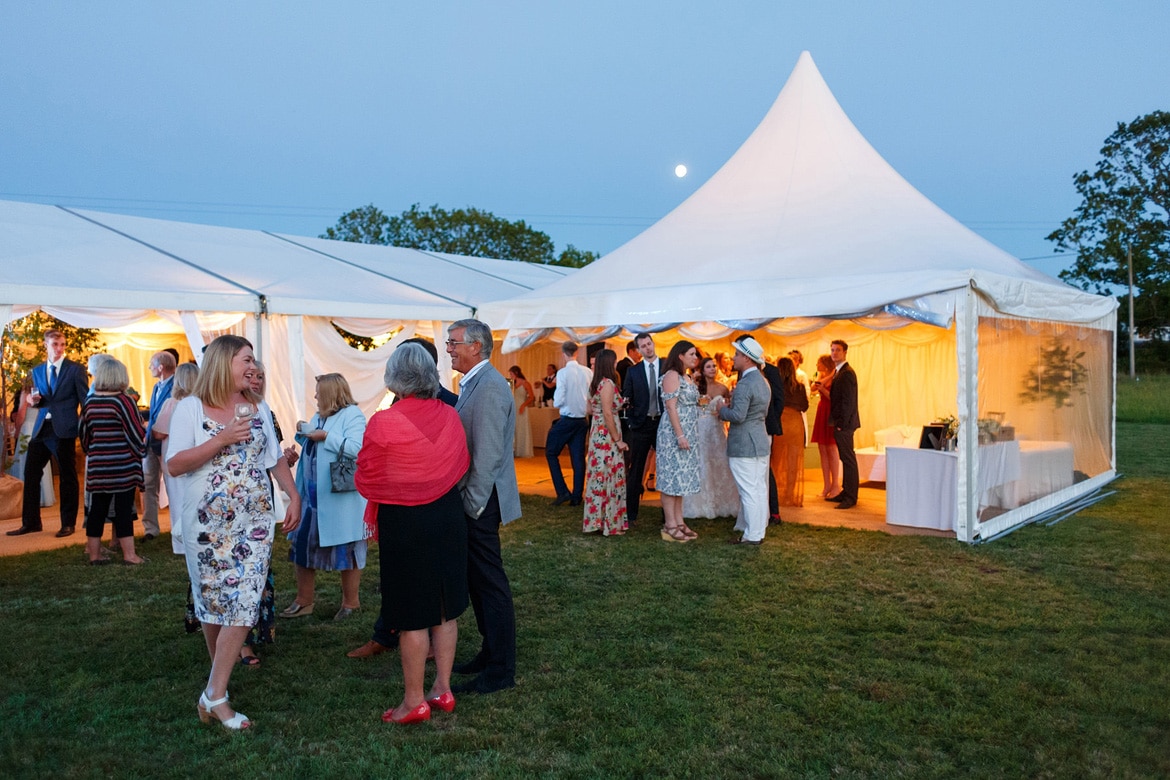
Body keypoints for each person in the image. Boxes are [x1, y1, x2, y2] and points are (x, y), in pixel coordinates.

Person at [166, 335, 300, 730]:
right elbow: (175, 464)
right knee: (212, 604)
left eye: (254, 360)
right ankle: (216, 688)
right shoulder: (190, 408)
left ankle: (215, 694)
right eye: (246, 359)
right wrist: (221, 438)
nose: (253, 366)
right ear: (224, 362)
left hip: (254, 524)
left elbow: (274, 459)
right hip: (206, 526)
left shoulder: (259, 407)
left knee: (244, 601)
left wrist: (293, 496)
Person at [355, 343, 471, 724]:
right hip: (448, 516)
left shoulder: (384, 422)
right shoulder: (450, 416)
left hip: (405, 522)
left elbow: (367, 475)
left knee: (411, 614)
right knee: (445, 607)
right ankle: (443, 688)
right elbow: (460, 464)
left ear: (394, 377)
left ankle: (414, 701)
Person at [347, 336, 457, 661]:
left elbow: (457, 460)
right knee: (403, 585)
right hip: (413, 509)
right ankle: (390, 636)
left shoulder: (449, 407)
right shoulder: (396, 410)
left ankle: (419, 669)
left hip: (424, 512)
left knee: (425, 593)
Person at [446, 318, 520, 695]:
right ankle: (490, 652)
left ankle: (500, 668)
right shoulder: (475, 383)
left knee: (490, 584)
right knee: (479, 581)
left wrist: (472, 505)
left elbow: (488, 454)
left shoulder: (489, 387)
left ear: (476, 346)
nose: (449, 348)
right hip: (478, 498)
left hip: (481, 500)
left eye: (454, 342)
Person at [282, 373, 368, 621]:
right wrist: (297, 451)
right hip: (311, 498)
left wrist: (327, 437)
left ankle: (351, 603)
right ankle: (304, 600)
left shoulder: (352, 415)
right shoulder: (318, 417)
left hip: (340, 499)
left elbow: (358, 448)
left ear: (331, 392)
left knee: (348, 549)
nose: (316, 395)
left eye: (319, 391)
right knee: (302, 547)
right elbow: (316, 449)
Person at [10, 329, 89, 537]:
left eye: (62, 344)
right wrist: (31, 401)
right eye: (55, 344)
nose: (59, 349)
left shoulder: (75, 369)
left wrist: (85, 425)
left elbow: (84, 400)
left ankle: (68, 523)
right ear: (45, 345)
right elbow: (40, 398)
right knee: (31, 474)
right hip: (41, 428)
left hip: (64, 429)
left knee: (67, 476)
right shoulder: (36, 371)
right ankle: (31, 522)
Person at [79, 358, 147, 565]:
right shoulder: (123, 401)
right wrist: (141, 450)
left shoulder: (89, 402)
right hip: (123, 465)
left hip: (98, 465)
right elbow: (135, 432)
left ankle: (94, 554)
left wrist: (94, 451)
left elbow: (83, 434)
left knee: (97, 510)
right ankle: (129, 555)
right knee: (123, 509)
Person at [151, 362, 200, 631]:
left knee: (178, 501)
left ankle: (181, 541)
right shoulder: (201, 403)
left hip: (175, 460)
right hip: (193, 461)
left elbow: (158, 432)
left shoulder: (173, 404)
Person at [716, 336, 773, 545]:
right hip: (759, 439)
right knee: (758, 490)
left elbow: (738, 416)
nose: (733, 357)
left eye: (738, 354)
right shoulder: (763, 381)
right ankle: (756, 533)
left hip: (744, 444)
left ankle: (752, 535)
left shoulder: (745, 383)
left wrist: (722, 409)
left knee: (749, 491)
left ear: (747, 359)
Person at [656, 341, 702, 542]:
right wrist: (680, 435)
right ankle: (669, 525)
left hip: (688, 432)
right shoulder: (672, 375)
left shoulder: (688, 377)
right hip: (673, 434)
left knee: (681, 479)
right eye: (692, 354)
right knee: (670, 479)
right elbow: (671, 407)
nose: (695, 357)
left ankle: (679, 521)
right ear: (680, 356)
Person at [684, 357, 739, 520]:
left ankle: (721, 502)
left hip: (716, 429)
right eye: (708, 366)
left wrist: (722, 410)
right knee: (702, 462)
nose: (713, 369)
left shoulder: (723, 388)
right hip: (699, 428)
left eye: (714, 366)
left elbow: (727, 409)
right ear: (702, 369)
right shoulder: (696, 387)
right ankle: (699, 503)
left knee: (719, 461)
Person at [582, 348, 628, 537]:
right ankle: (610, 522)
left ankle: (597, 520)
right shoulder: (608, 383)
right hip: (607, 436)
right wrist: (618, 440)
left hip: (596, 432)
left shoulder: (595, 384)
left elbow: (590, 409)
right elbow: (608, 413)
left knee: (598, 475)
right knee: (609, 474)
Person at [545, 341, 592, 507]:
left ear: (563, 354)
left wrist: (560, 402)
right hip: (582, 420)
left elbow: (558, 400)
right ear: (577, 353)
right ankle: (577, 496)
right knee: (578, 459)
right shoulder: (587, 372)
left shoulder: (563, 373)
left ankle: (563, 492)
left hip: (567, 419)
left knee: (551, 452)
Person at [622, 332, 661, 525]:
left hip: (663, 424)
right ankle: (631, 513)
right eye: (643, 346)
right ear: (638, 350)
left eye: (649, 344)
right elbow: (626, 398)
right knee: (636, 469)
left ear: (653, 344)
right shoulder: (634, 371)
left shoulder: (666, 366)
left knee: (666, 469)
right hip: (641, 424)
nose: (647, 348)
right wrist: (631, 421)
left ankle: (668, 514)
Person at [142, 350, 177, 541]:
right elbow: (155, 413)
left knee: (172, 485)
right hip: (151, 442)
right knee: (149, 486)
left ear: (160, 367)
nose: (149, 368)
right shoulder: (156, 387)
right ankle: (151, 529)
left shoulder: (176, 387)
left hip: (166, 442)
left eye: (151, 365)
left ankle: (176, 526)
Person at [827, 339, 861, 510]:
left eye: (838, 350)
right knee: (845, 458)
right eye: (832, 350)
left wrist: (841, 423)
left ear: (845, 352)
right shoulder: (839, 371)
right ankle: (846, 492)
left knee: (848, 459)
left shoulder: (847, 373)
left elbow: (848, 401)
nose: (834, 353)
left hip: (844, 424)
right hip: (842, 422)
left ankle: (851, 496)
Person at [775, 357, 809, 507]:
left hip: (780, 422)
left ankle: (776, 494)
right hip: (795, 424)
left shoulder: (775, 386)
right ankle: (790, 494)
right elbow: (805, 406)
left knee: (776, 460)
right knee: (793, 462)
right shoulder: (799, 387)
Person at [809, 354, 841, 499]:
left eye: (818, 363)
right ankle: (826, 484)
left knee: (831, 448)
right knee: (822, 448)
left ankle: (835, 484)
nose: (816, 365)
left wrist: (823, 388)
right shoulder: (824, 376)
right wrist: (826, 377)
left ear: (825, 364)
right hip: (822, 411)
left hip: (830, 411)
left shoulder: (837, 377)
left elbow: (833, 397)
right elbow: (813, 388)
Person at [762, 355, 786, 523]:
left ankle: (774, 511)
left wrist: (770, 421)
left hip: (766, 427)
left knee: (766, 469)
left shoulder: (771, 371)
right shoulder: (743, 371)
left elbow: (779, 400)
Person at [508, 366, 535, 458]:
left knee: (522, 428)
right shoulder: (511, 384)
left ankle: (523, 450)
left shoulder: (525, 383)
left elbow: (531, 397)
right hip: (513, 407)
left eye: (511, 374)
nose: (510, 376)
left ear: (516, 373)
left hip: (522, 407)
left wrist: (523, 405)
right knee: (513, 429)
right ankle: (513, 450)